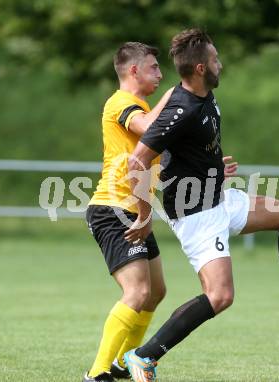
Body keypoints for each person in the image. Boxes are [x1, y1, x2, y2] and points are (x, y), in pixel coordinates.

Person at [123, 29, 279, 382]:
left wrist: (214, 166)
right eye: (216, 60)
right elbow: (137, 162)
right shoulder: (181, 109)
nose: (221, 64)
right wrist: (143, 216)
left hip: (219, 197)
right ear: (201, 68)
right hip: (195, 212)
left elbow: (189, 150)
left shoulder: (205, 96)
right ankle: (143, 356)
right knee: (219, 296)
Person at [82, 42, 174, 382]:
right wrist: (176, 94)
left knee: (156, 292)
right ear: (133, 70)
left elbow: (159, 163)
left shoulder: (141, 107)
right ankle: (97, 373)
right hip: (113, 208)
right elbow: (151, 127)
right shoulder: (122, 103)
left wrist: (209, 171)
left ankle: (125, 361)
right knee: (136, 292)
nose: (160, 74)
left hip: (135, 209)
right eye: (153, 67)